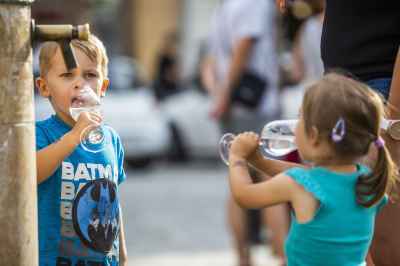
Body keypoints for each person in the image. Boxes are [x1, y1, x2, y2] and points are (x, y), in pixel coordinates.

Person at [228, 73, 398, 266]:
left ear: (314, 136)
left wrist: (237, 158)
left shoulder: (301, 185)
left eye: (300, 119)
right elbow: (302, 173)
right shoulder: (368, 180)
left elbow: (244, 195)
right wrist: (259, 161)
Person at [203, 1, 287, 265]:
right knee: (270, 178)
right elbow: (245, 46)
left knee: (236, 174)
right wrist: (226, 95)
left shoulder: (223, 7)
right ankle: (285, 257)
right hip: (255, 103)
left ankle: (243, 258)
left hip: (229, 104)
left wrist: (216, 94)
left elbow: (209, 61)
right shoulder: (253, 3)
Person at [35, 35, 128, 265]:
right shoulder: (41, 134)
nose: (80, 83)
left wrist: (123, 256)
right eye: (67, 75)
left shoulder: (110, 139)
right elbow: (30, 173)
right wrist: (74, 136)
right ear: (44, 87)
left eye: (90, 75)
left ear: (103, 86)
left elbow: (113, 201)